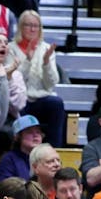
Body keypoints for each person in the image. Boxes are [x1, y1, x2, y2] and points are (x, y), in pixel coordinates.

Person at [7, 10, 64, 146]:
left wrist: (46, 63)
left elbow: (51, 83)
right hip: (21, 99)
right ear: (21, 27)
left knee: (56, 103)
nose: (32, 29)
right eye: (28, 25)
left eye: (36, 25)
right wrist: (27, 59)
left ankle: (55, 149)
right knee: (18, 107)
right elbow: (15, 80)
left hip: (41, 97)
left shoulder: (46, 48)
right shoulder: (11, 48)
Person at [0, 115, 44, 181]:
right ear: (17, 137)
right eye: (29, 132)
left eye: (38, 132)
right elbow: (6, 187)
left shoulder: (47, 157)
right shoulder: (8, 160)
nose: (35, 135)